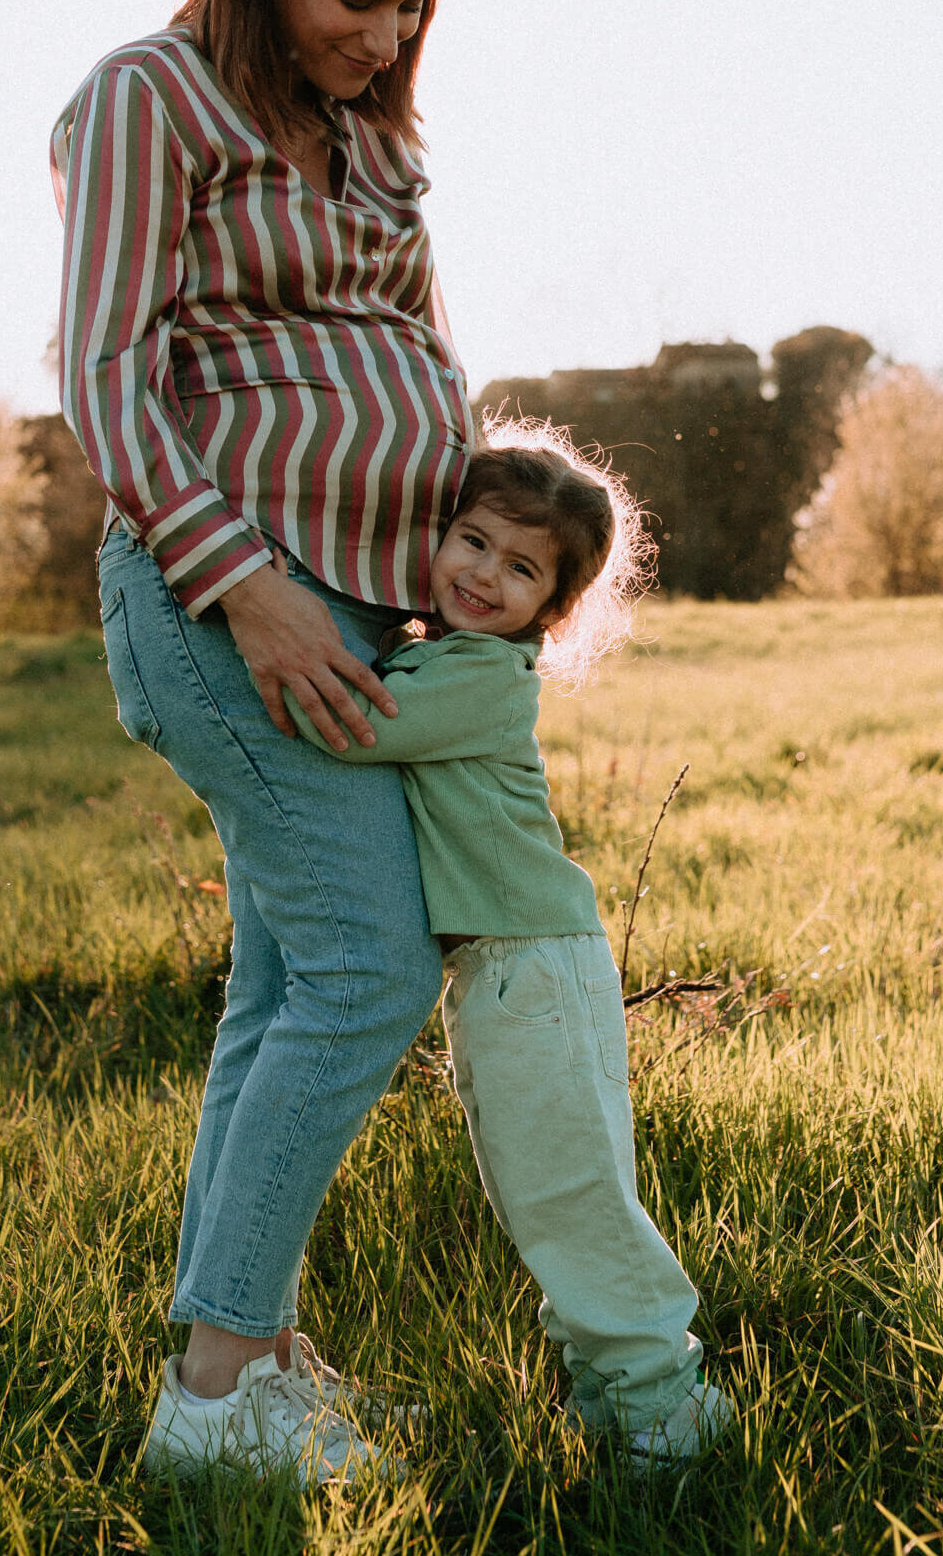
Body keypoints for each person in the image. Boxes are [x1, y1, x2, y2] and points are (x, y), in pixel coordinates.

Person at [51, 0, 473, 1483]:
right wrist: (247, 578)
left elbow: (425, 354)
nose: (381, 38)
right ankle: (217, 1397)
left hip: (367, 603)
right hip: (230, 598)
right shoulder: (153, 95)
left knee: (293, 981)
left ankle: (253, 1368)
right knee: (372, 968)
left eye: (412, 11)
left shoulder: (376, 147)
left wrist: (460, 574)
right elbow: (103, 371)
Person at [287, 427, 731, 1461]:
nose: (485, 574)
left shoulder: (481, 674)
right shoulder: (451, 651)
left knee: (567, 1192)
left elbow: (350, 719)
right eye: (473, 540)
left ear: (553, 606)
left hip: (528, 963)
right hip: (519, 964)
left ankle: (664, 1403)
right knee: (549, 1185)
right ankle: (616, 1390)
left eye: (521, 566)